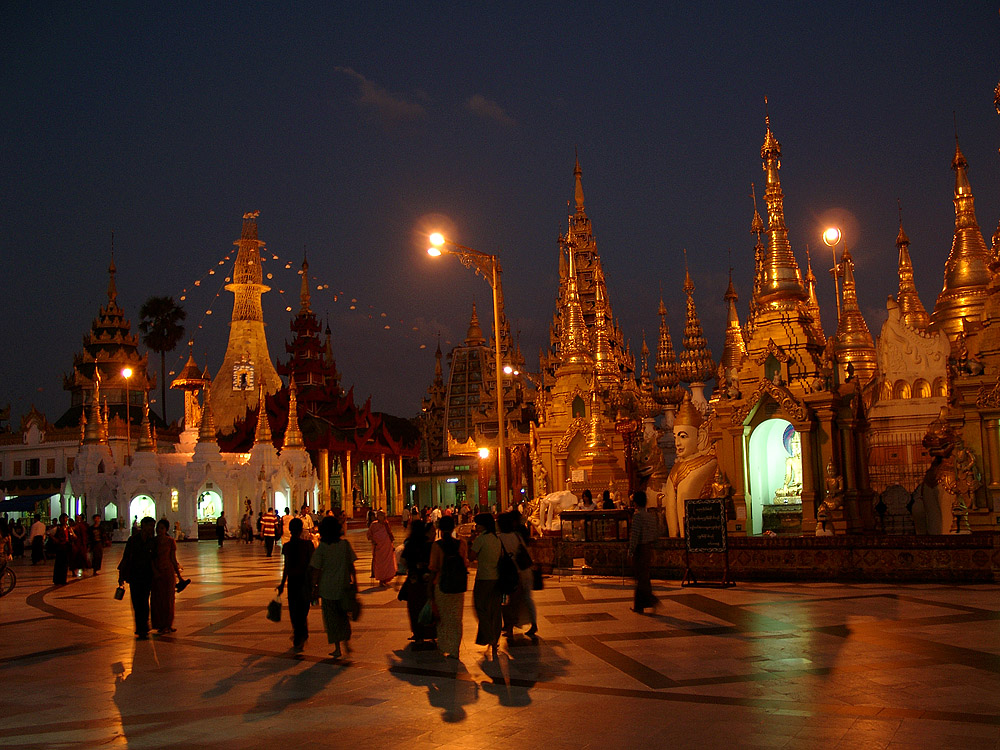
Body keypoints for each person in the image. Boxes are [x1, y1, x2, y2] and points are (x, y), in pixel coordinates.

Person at [310, 517, 357, 659]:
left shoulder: (323, 547)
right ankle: (347, 644)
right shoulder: (345, 545)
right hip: (343, 587)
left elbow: (316, 569)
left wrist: (314, 587)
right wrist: (355, 583)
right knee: (343, 617)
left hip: (327, 589)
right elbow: (351, 566)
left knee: (331, 620)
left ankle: (337, 648)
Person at [427, 514, 467, 659]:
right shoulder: (462, 543)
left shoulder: (437, 546)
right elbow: (465, 562)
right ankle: (455, 649)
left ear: (439, 528)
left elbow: (433, 568)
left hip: (441, 584)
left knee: (443, 617)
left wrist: (429, 589)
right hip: (458, 585)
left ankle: (445, 646)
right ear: (453, 528)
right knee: (456, 618)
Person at [497, 511, 537, 640]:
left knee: (508, 601)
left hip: (511, 573)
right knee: (527, 598)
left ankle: (509, 627)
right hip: (525, 570)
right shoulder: (517, 535)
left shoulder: (499, 538)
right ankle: (533, 623)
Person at [468, 512, 503, 659]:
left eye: (477, 524)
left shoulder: (481, 539)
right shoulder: (496, 538)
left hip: (483, 578)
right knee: (495, 610)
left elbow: (471, 557)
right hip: (496, 578)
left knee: (480, 607)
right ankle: (495, 637)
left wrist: (470, 541)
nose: (476, 526)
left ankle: (490, 636)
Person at [278, 517, 313, 652]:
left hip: (293, 581)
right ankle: (300, 635)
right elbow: (312, 566)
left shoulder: (287, 546)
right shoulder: (308, 545)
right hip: (305, 582)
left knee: (294, 610)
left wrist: (282, 584)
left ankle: (299, 635)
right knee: (303, 610)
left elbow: (286, 567)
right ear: (300, 530)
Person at [118, 517, 156, 639]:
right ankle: (140, 627)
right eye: (149, 525)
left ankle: (144, 626)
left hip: (147, 575)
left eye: (152, 526)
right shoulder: (133, 540)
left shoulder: (152, 541)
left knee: (144, 601)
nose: (151, 528)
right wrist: (121, 576)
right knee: (136, 602)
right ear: (143, 525)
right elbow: (126, 557)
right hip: (135, 575)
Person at [400, 520, 436, 646]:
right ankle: (431, 634)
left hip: (414, 580)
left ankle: (418, 635)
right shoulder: (430, 544)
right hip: (428, 580)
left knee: (415, 609)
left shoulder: (410, 544)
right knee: (428, 607)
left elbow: (403, 561)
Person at [628, 490, 660, 614]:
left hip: (640, 549)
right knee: (644, 576)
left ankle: (651, 600)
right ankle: (640, 605)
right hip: (648, 548)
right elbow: (655, 533)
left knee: (640, 577)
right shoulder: (650, 516)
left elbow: (635, 536)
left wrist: (630, 552)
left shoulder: (637, 516)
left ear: (636, 502)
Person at [150, 519, 182, 634]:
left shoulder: (170, 541)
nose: (159, 530)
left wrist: (178, 575)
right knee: (158, 599)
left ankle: (168, 624)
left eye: (162, 528)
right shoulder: (153, 542)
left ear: (166, 529)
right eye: (158, 528)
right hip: (157, 573)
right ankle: (160, 624)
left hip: (168, 572)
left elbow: (173, 559)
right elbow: (151, 559)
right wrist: (155, 571)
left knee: (169, 599)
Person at [366, 510, 396, 586]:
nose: (381, 517)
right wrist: (374, 541)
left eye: (382, 516)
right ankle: (381, 580)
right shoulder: (374, 525)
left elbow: (389, 533)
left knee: (388, 563)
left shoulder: (386, 524)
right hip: (379, 547)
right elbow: (369, 535)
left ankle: (385, 579)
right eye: (379, 516)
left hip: (387, 547)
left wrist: (392, 544)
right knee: (380, 564)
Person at [51, 514, 71, 585]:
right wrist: (56, 540)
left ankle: (63, 579)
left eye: (66, 518)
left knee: (65, 564)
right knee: (59, 564)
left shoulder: (68, 528)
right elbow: (49, 533)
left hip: (66, 547)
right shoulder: (58, 528)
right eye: (64, 519)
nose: (65, 520)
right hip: (60, 547)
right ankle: (57, 580)